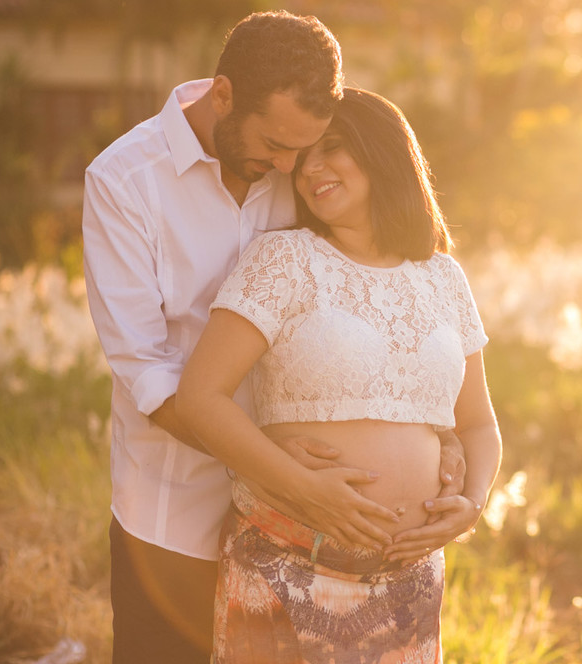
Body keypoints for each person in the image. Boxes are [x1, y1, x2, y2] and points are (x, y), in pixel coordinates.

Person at [83, 11, 466, 664]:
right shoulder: (124, 182)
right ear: (224, 94)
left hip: (298, 529)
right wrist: (276, 468)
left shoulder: (293, 160)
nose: (290, 166)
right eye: (276, 144)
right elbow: (144, 365)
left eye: (304, 148)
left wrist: (438, 435)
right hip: (171, 505)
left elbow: (358, 291)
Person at [175, 86, 501, 662]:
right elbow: (202, 397)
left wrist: (471, 505)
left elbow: (478, 425)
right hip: (289, 564)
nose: (311, 170)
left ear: (382, 153)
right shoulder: (283, 260)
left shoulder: (444, 277)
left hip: (409, 585)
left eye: (333, 148)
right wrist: (303, 488)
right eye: (303, 159)